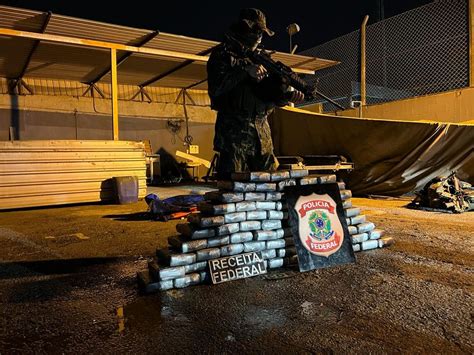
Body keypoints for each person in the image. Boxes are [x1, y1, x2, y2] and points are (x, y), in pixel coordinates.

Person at [207, 8, 305, 179]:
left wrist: (286, 96)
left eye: (262, 33)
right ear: (244, 28)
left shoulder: (262, 58)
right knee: (234, 191)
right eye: (256, 31)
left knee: (270, 189)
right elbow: (216, 89)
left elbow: (269, 95)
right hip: (234, 136)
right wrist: (245, 71)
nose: (260, 37)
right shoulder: (223, 54)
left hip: (262, 135)